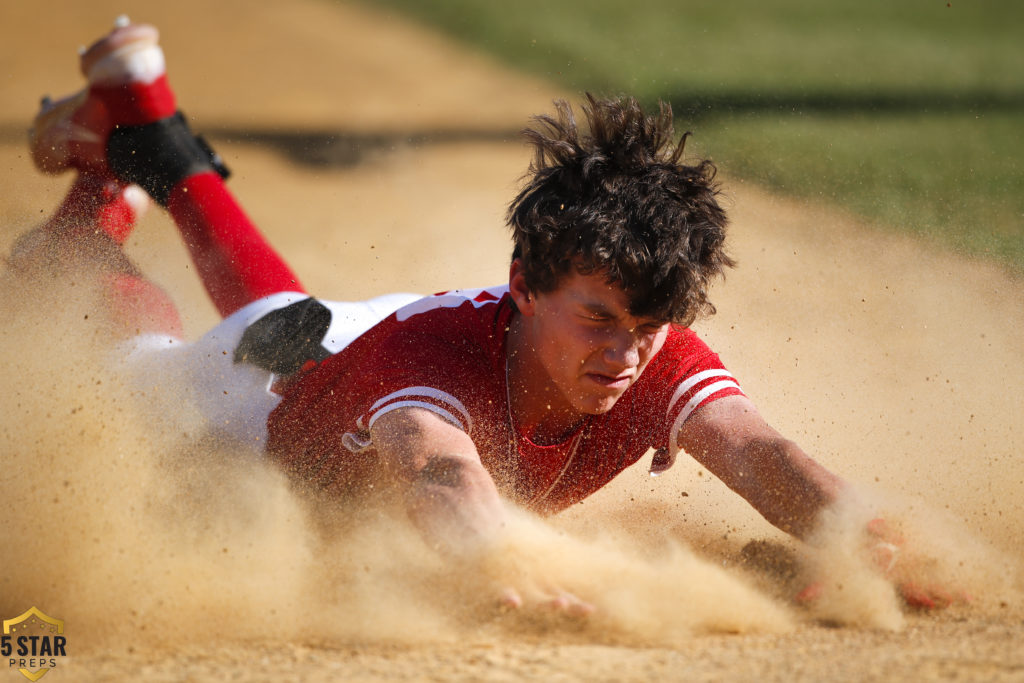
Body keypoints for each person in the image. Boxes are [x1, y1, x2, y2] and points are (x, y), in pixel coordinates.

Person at [12, 18, 948, 612]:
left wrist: (858, 527)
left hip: (334, 343)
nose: (626, 354)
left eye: (651, 324)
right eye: (599, 318)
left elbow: (758, 451)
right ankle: (89, 214)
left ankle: (139, 121)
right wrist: (515, 560)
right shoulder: (436, 366)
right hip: (239, 401)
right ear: (523, 284)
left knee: (283, 308)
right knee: (128, 352)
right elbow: (439, 473)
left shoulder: (643, 339)